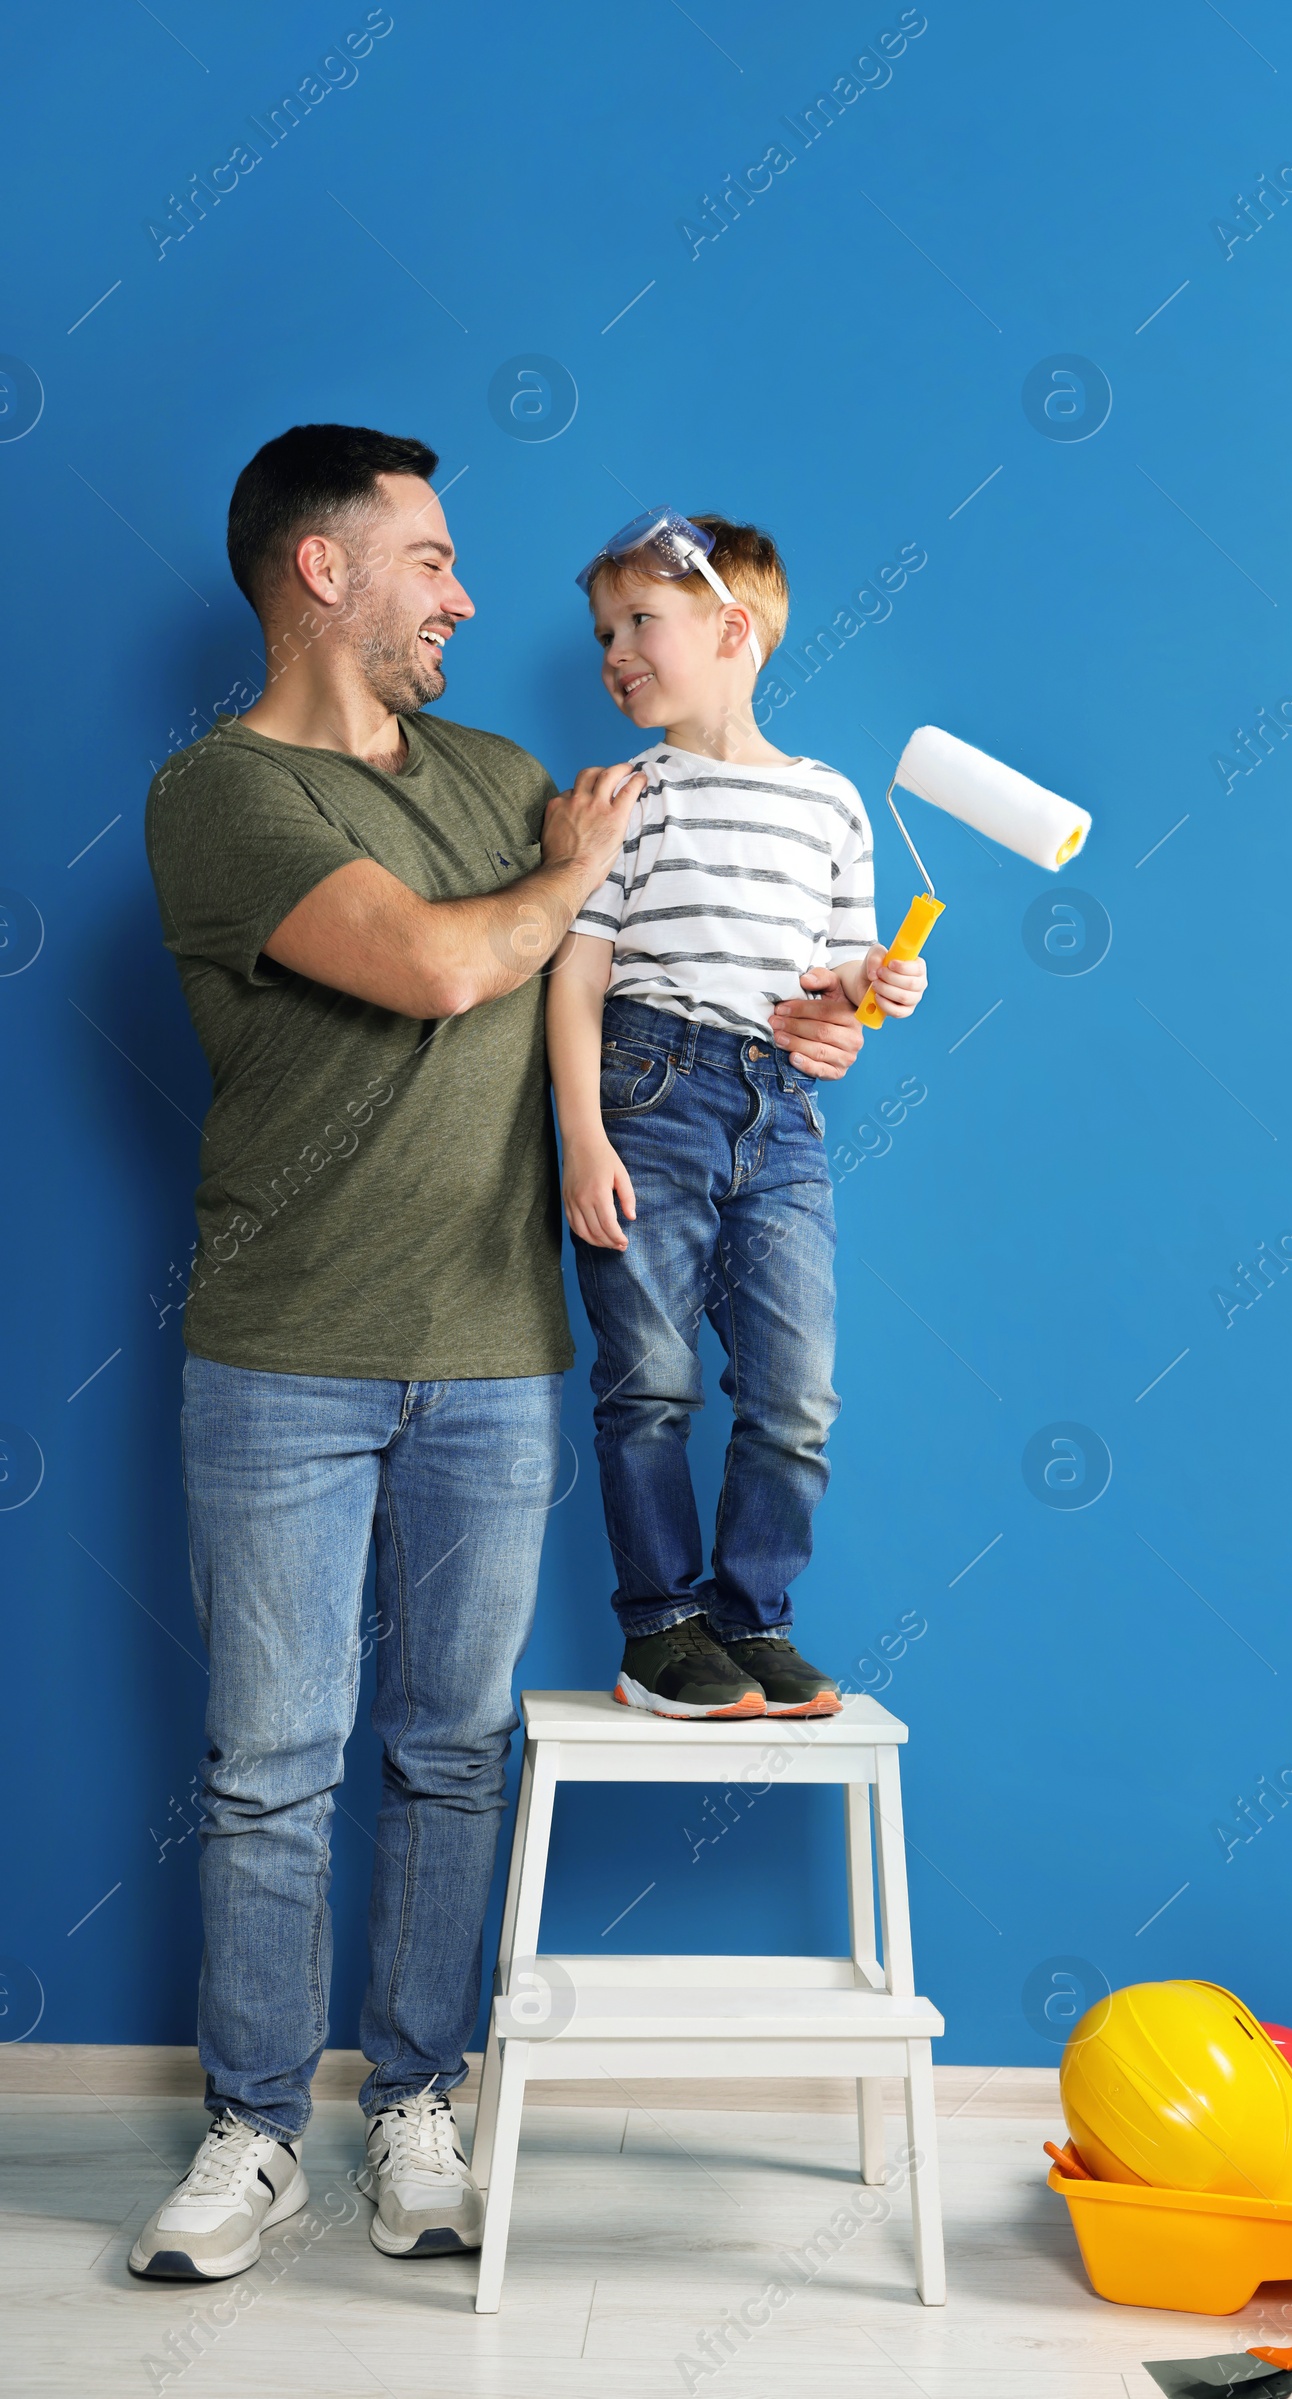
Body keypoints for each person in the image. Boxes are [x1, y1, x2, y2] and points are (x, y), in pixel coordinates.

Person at [131, 430, 868, 2283]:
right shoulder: (220, 795)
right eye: (434, 560)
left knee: (451, 1754)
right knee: (267, 1764)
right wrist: (567, 885)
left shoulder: (508, 775)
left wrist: (819, 1017)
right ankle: (249, 2124)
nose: (468, 595)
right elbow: (447, 966)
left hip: (491, 1352)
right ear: (324, 572)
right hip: (280, 1354)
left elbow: (639, 973)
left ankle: (415, 2101)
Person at [547, 509, 927, 1724]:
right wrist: (583, 1135)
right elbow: (577, 974)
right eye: (604, 631)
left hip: (782, 1111)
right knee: (649, 1381)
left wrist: (878, 988)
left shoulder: (832, 804)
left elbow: (837, 993)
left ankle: (750, 1616)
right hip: (646, 1092)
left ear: (731, 628)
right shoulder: (622, 796)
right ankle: (660, 1629)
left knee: (794, 1392)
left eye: (637, 623)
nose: (613, 651)